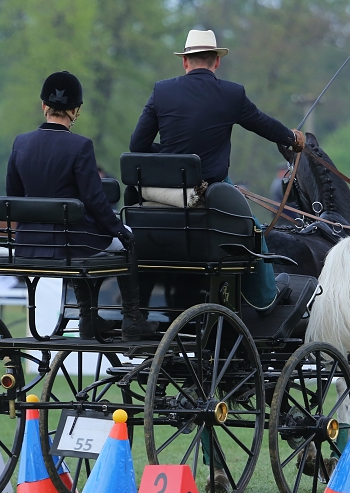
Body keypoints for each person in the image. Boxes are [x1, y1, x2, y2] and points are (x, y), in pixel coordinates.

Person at [129, 29, 305, 313]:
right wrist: (292, 138)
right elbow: (264, 124)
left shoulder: (162, 91)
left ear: (185, 62)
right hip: (210, 193)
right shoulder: (231, 94)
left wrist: (175, 157)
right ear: (216, 62)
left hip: (164, 194)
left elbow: (137, 144)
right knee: (254, 231)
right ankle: (264, 298)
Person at [6, 71, 156, 341]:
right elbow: (95, 200)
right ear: (75, 111)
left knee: (80, 242)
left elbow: (13, 195)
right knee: (125, 242)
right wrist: (119, 230)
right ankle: (132, 318)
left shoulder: (21, 143)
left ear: (44, 106)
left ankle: (88, 318)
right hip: (71, 243)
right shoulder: (80, 146)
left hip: (28, 243)